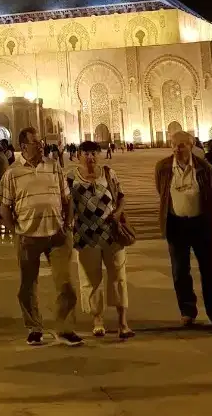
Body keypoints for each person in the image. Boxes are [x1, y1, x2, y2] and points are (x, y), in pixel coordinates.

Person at [0, 126, 81, 345]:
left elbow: (67, 197)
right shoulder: (12, 173)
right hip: (28, 236)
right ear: (24, 146)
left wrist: (69, 222)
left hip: (58, 235)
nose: (41, 145)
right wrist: (15, 230)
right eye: (36, 143)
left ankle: (64, 327)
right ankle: (34, 327)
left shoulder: (53, 167)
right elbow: (4, 207)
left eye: (41, 142)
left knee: (67, 285)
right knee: (27, 285)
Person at [155, 130, 212, 328]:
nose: (177, 149)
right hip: (176, 224)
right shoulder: (163, 167)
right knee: (179, 271)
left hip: (200, 224)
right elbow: (161, 191)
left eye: (182, 145)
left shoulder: (204, 167)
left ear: (191, 146)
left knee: (208, 269)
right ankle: (187, 311)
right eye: (174, 145)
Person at [68, 141, 134, 339]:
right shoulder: (70, 177)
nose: (90, 157)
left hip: (111, 233)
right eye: (86, 153)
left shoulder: (108, 173)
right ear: (79, 155)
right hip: (85, 234)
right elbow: (66, 203)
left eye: (94, 153)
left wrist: (118, 213)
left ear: (100, 154)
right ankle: (97, 319)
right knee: (91, 278)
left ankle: (123, 321)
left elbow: (121, 197)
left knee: (118, 275)